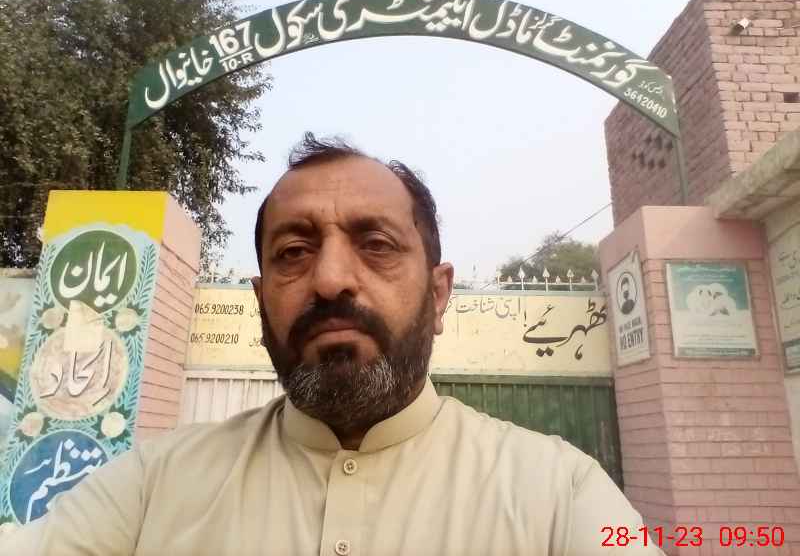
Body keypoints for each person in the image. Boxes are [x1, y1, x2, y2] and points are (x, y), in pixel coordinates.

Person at [0, 133, 663, 555]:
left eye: (376, 245)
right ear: (261, 302)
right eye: (294, 252)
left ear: (437, 296)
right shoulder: (153, 485)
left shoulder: (560, 491)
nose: (330, 279)